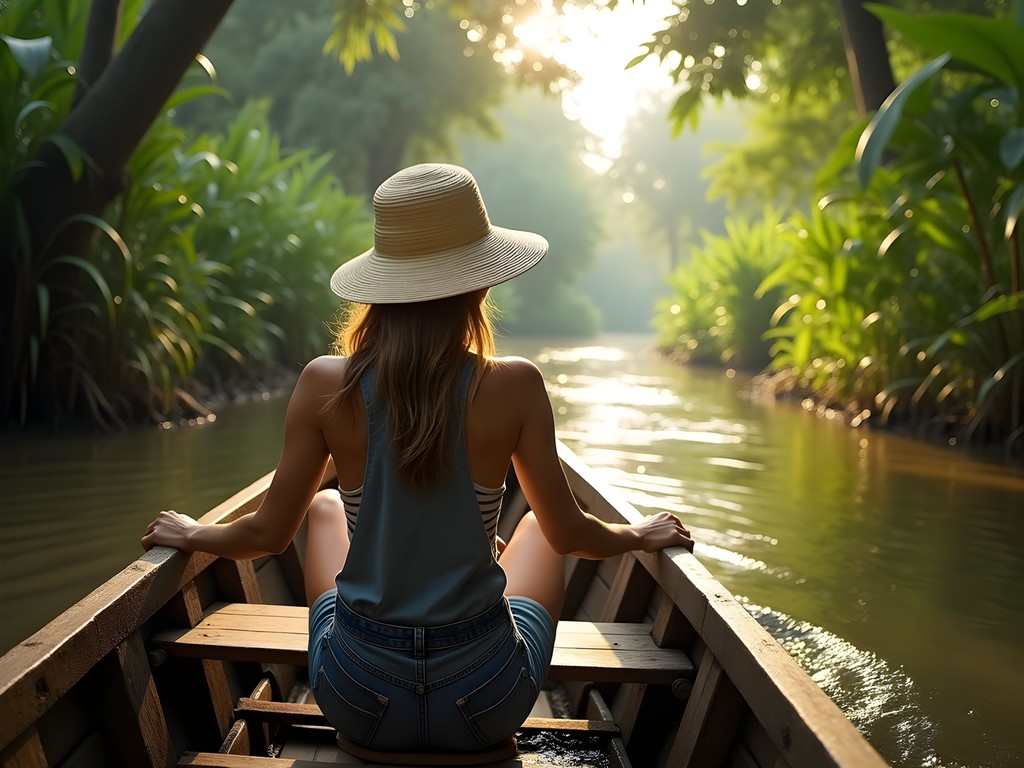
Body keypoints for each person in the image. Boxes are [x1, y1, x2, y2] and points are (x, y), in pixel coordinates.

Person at [141, 163, 694, 754]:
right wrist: (637, 534)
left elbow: (268, 535)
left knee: (326, 508)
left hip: (359, 701)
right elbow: (572, 534)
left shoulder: (325, 384)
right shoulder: (516, 385)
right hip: (484, 704)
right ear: (481, 284)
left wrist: (195, 532)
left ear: (381, 286)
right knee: (534, 526)